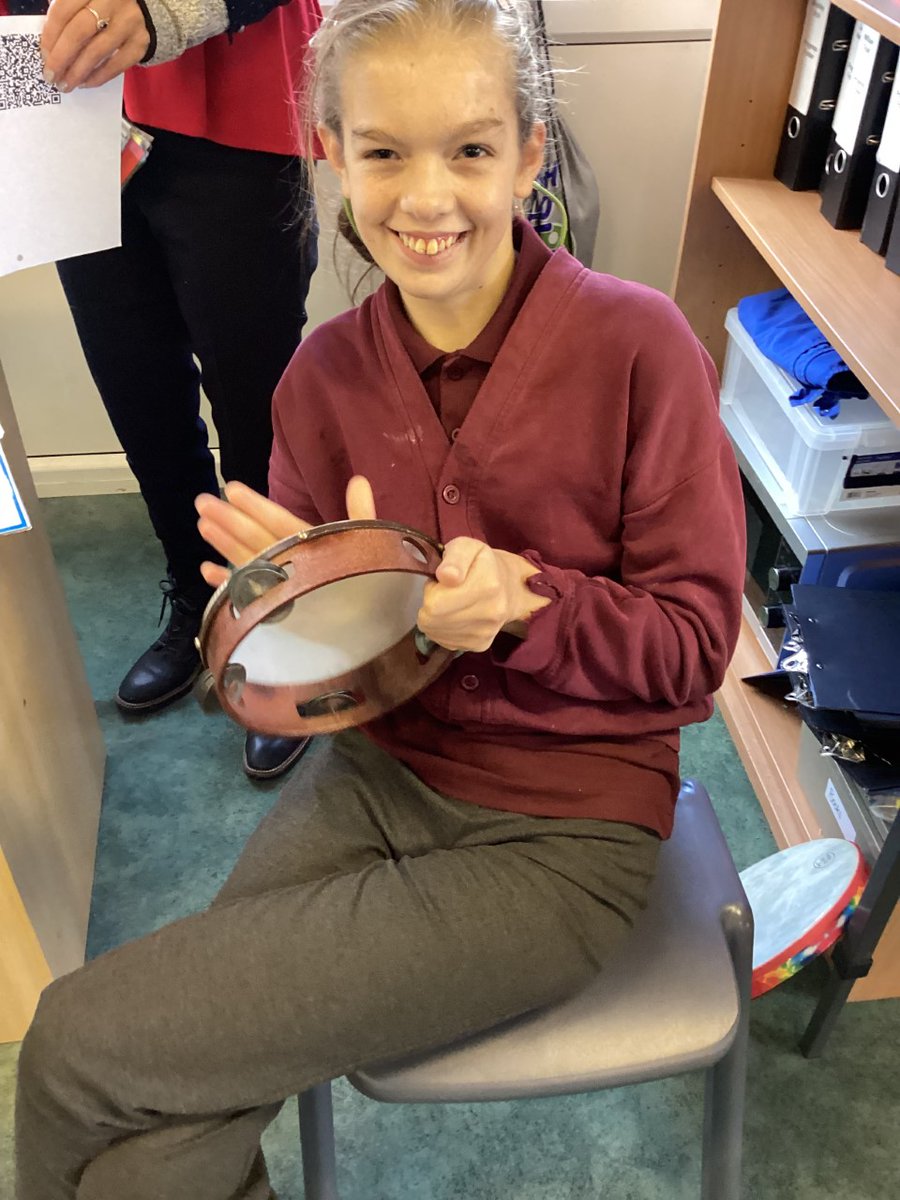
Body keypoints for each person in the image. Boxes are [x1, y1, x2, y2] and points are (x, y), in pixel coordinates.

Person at [14, 1, 746, 1195]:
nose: (426, 197)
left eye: (468, 149)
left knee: (74, 1051)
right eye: (383, 151)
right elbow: (315, 704)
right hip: (382, 785)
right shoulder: (321, 378)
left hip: (562, 841)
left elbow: (694, 649)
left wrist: (524, 607)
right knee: (157, 1147)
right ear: (328, 153)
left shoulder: (641, 349)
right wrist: (310, 608)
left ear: (530, 151)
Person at [29, 0, 322, 780]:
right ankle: (197, 596)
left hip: (232, 83)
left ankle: (276, 625)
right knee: (136, 388)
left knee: (257, 403)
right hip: (65, 101)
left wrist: (167, 12)